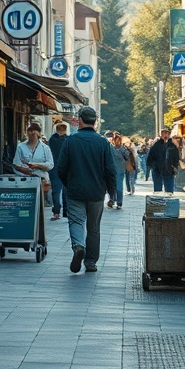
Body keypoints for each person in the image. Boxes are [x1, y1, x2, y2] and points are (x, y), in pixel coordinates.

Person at [56, 106, 116, 274]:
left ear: (80, 120)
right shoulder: (103, 142)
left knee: (76, 221)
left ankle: (78, 247)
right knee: (94, 227)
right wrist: (111, 192)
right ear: (95, 121)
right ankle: (91, 262)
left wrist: (68, 183)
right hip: (97, 193)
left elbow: (61, 168)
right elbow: (110, 169)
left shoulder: (70, 141)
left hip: (75, 191)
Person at [13, 122, 54, 210]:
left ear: (38, 133)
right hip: (24, 180)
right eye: (29, 131)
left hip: (40, 180)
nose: (31, 134)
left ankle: (38, 223)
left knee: (39, 207)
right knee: (25, 206)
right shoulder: (21, 146)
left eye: (33, 131)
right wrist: (23, 169)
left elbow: (50, 164)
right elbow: (15, 163)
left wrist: (37, 165)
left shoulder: (45, 148)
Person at [146, 128, 180, 194]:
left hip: (169, 169)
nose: (165, 134)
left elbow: (176, 157)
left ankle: (168, 202)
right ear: (161, 134)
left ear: (169, 134)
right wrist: (153, 166)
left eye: (166, 133)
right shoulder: (156, 145)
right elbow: (150, 157)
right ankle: (158, 202)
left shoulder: (172, 146)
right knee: (157, 191)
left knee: (169, 191)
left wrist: (175, 166)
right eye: (163, 133)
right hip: (157, 170)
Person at [47, 122, 69, 220]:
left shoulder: (52, 140)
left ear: (56, 130)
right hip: (66, 169)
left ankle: (56, 212)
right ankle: (67, 212)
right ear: (65, 130)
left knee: (56, 191)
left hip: (54, 169)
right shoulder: (68, 140)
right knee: (66, 192)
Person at [106, 132, 130, 210]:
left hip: (111, 170)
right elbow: (127, 156)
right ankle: (119, 202)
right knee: (119, 186)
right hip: (120, 169)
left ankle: (112, 199)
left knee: (111, 185)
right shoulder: (122, 148)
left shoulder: (109, 147)